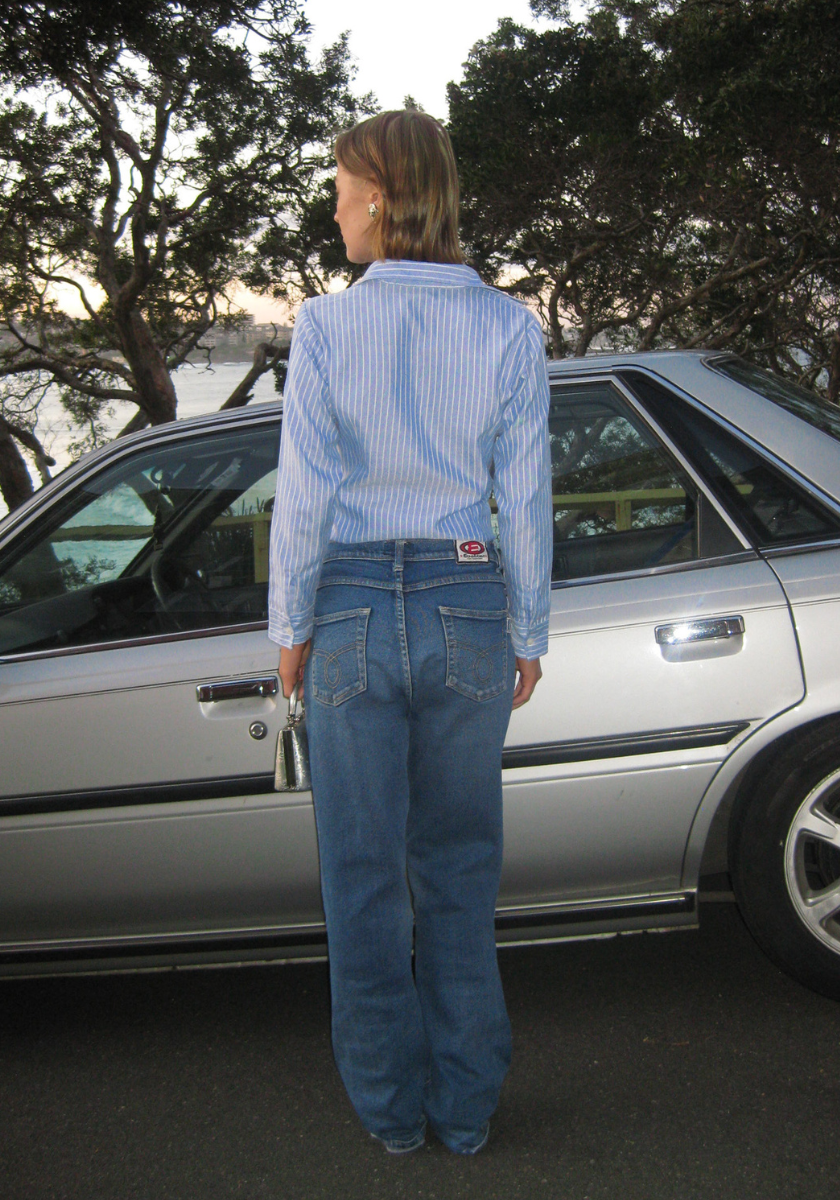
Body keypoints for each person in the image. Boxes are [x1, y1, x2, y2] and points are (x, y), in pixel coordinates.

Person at [268, 109, 551, 1155]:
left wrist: (289, 626)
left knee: (363, 880)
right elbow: (523, 498)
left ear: (381, 195)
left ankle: (392, 1117)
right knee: (461, 872)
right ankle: (467, 1112)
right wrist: (530, 630)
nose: (334, 206)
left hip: (345, 606)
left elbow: (304, 494)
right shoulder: (510, 327)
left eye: (342, 188)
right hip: (468, 599)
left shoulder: (329, 327)